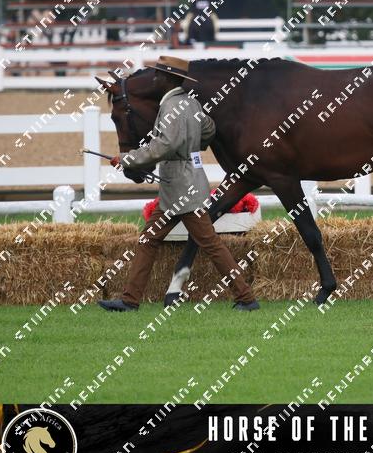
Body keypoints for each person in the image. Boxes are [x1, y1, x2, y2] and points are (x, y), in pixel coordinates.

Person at [98, 56, 260, 313]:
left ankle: (247, 298)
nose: (154, 79)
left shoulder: (171, 105)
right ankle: (129, 300)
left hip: (182, 189)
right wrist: (192, 145)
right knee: (149, 240)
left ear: (167, 79)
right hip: (181, 186)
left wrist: (127, 159)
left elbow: (164, 146)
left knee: (210, 244)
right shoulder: (191, 102)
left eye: (158, 75)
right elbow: (209, 129)